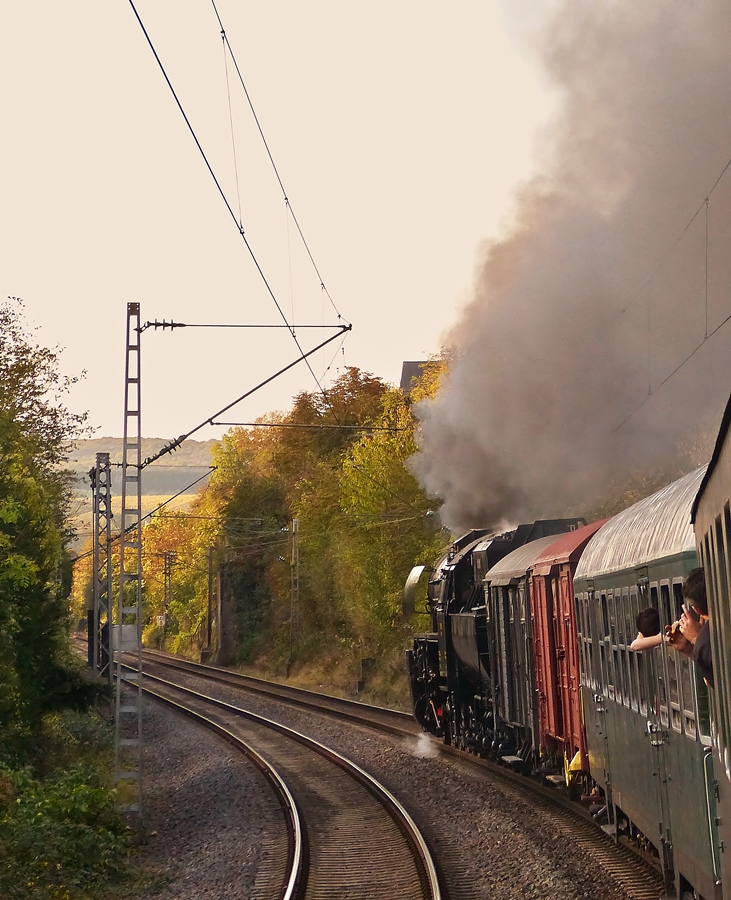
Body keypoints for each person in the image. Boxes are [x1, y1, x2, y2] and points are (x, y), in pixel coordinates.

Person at [667, 567, 714, 688]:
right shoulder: (706, 638)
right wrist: (690, 648)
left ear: (696, 610)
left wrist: (696, 639)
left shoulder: (705, 639)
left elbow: (717, 679)